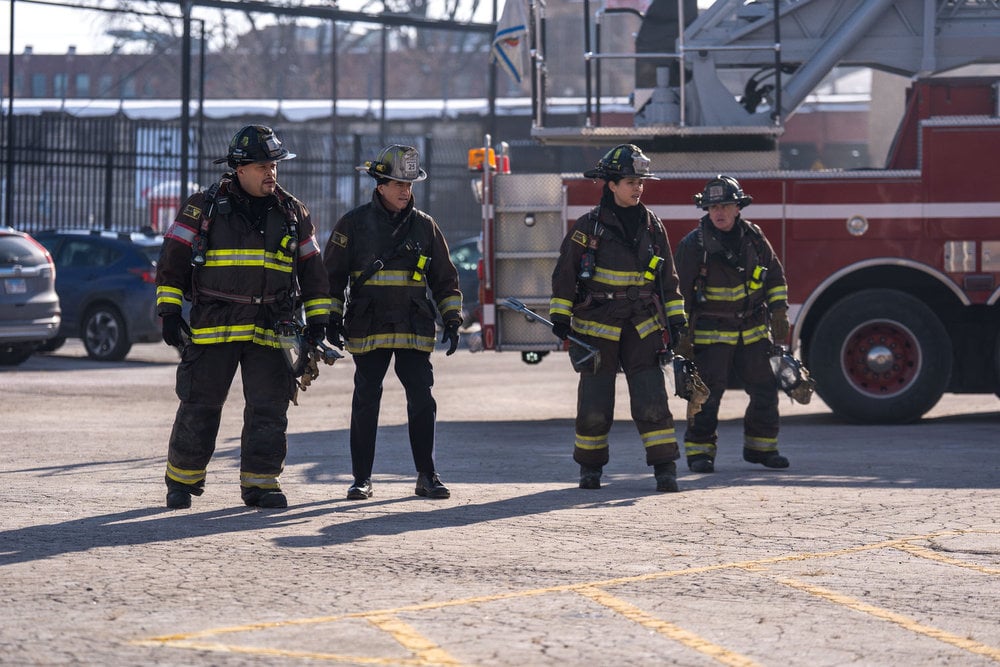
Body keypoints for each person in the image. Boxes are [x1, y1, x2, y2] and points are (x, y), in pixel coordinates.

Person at [155, 125, 331, 509]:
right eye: (263, 165)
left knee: (269, 409)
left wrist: (319, 321)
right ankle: (181, 483)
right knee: (200, 405)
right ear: (239, 168)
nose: (272, 173)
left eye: (275, 165)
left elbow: (313, 271)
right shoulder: (202, 207)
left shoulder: (292, 212)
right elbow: (171, 262)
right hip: (214, 326)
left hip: (272, 328)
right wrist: (169, 312)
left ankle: (261, 484)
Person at [323, 144, 463, 501]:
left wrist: (451, 317)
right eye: (398, 184)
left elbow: (445, 278)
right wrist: (329, 318)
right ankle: (362, 479)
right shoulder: (353, 225)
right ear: (380, 184)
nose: (405, 191)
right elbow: (332, 277)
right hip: (368, 327)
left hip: (413, 329)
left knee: (422, 400)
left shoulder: (425, 227)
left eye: (410, 184)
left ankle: (427, 475)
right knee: (366, 399)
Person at [549, 144, 688, 493]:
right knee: (595, 402)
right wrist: (560, 317)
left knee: (651, 396)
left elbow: (667, 279)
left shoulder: (653, 226)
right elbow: (565, 274)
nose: (638, 187)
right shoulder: (588, 227)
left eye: (641, 181)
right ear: (610, 184)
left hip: (642, 326)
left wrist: (676, 320)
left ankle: (665, 468)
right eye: (630, 180)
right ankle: (590, 469)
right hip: (598, 327)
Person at [672, 175, 790, 473]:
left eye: (725, 205)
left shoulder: (754, 238)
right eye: (712, 207)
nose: (718, 212)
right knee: (706, 395)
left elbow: (774, 277)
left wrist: (779, 312)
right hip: (711, 335)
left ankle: (762, 449)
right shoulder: (693, 245)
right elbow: (678, 292)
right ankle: (700, 453)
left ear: (738, 207)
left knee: (765, 388)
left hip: (752, 332)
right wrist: (680, 333)